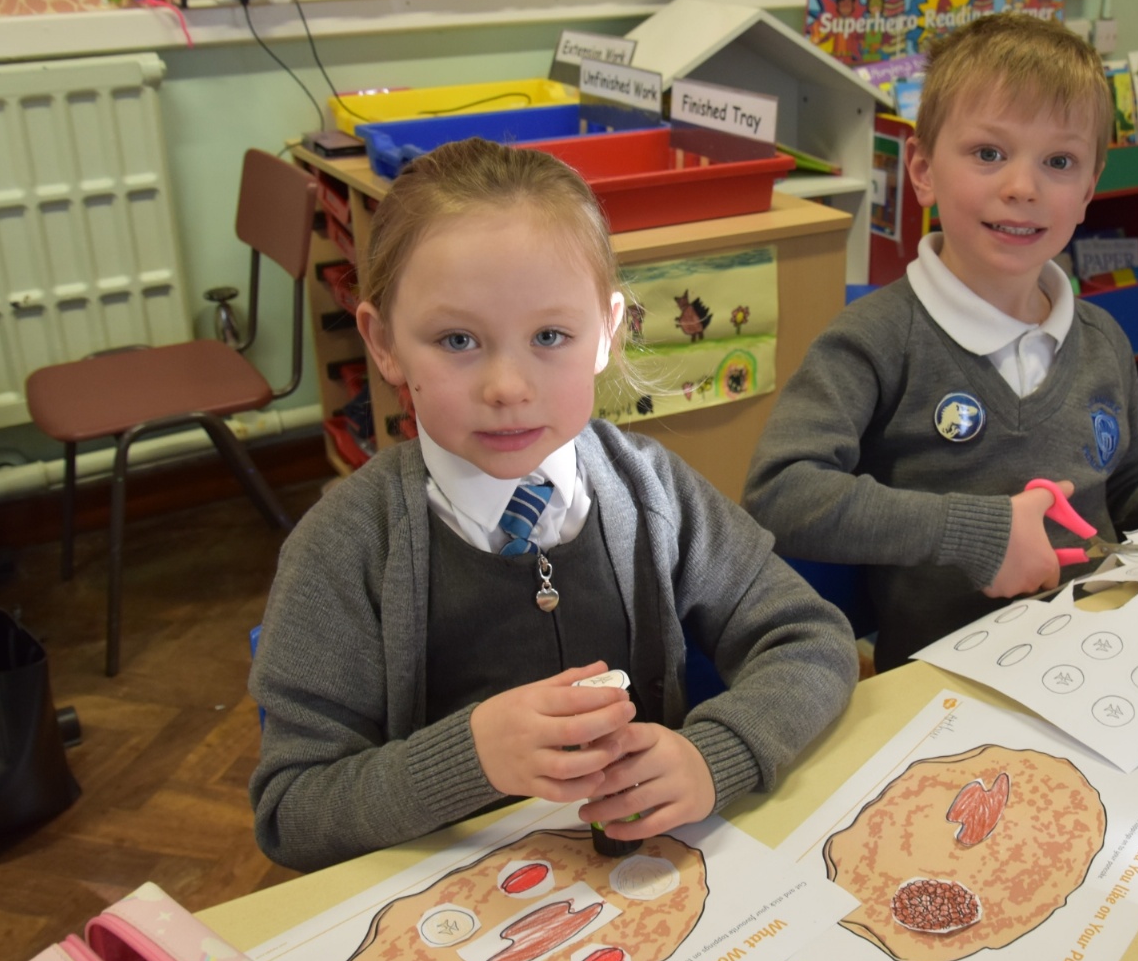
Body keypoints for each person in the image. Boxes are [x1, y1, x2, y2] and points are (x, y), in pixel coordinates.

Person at [249, 139, 857, 872]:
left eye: (550, 336)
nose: (507, 387)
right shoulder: (344, 546)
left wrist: (716, 755)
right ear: (384, 344)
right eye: (457, 339)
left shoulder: (651, 490)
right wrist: (469, 758)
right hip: (452, 905)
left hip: (647, 881)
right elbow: (292, 810)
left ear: (606, 333)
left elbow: (810, 639)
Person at [743, 13, 1138, 673]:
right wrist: (974, 534)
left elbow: (1126, 481)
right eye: (988, 154)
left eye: (1059, 162)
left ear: (1088, 191)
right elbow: (780, 493)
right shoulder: (874, 340)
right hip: (947, 680)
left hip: (1098, 652)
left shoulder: (1102, 340)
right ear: (923, 170)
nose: (1022, 188)